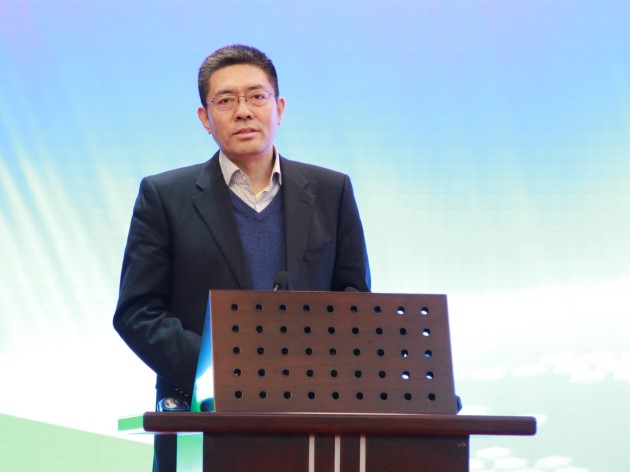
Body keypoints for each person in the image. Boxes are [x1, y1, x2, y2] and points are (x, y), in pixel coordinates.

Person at [113, 44, 371, 471]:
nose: (244, 111)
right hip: (203, 418)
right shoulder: (164, 196)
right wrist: (227, 370)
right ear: (205, 118)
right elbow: (138, 312)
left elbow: (355, 301)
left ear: (279, 108)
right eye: (226, 101)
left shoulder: (332, 191)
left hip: (312, 416)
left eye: (257, 96)